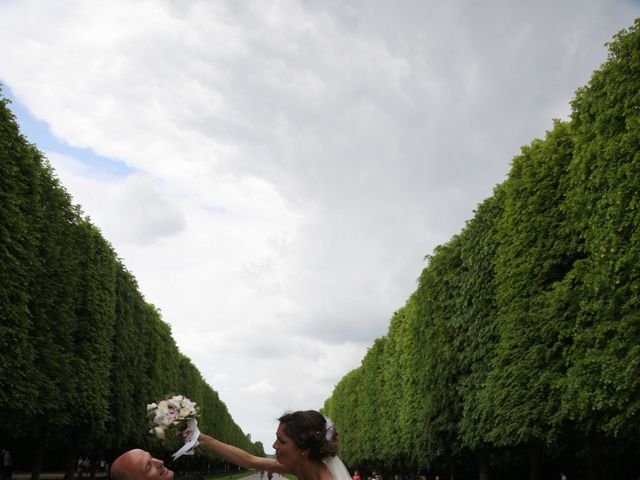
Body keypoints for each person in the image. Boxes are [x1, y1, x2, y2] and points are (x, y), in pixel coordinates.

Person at [192, 410, 350, 480]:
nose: (274, 446)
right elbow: (249, 460)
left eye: (282, 441)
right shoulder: (300, 466)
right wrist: (203, 438)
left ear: (305, 449)